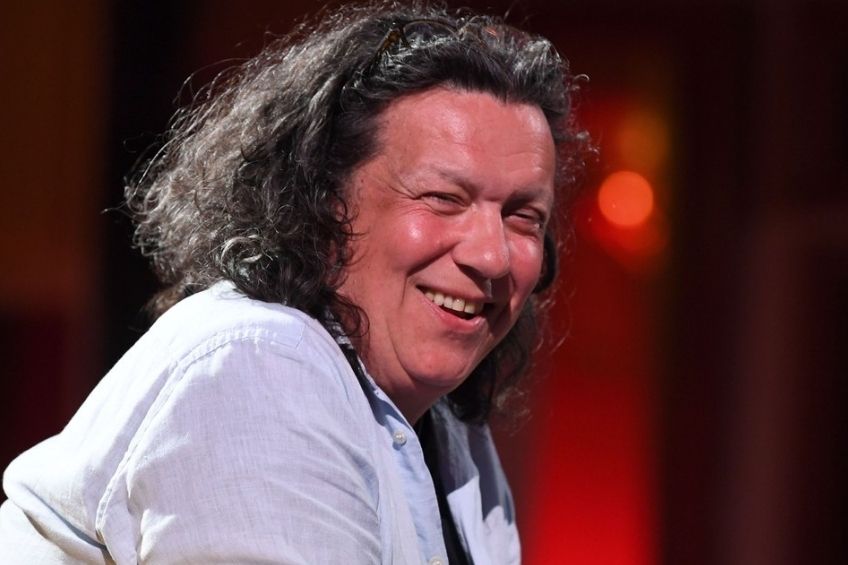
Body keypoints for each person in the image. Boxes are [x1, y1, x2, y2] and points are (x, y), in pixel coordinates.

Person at [0, 1, 589, 563]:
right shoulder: (261, 362)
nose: (492, 256)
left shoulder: (450, 432)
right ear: (323, 201)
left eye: (523, 217)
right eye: (443, 198)